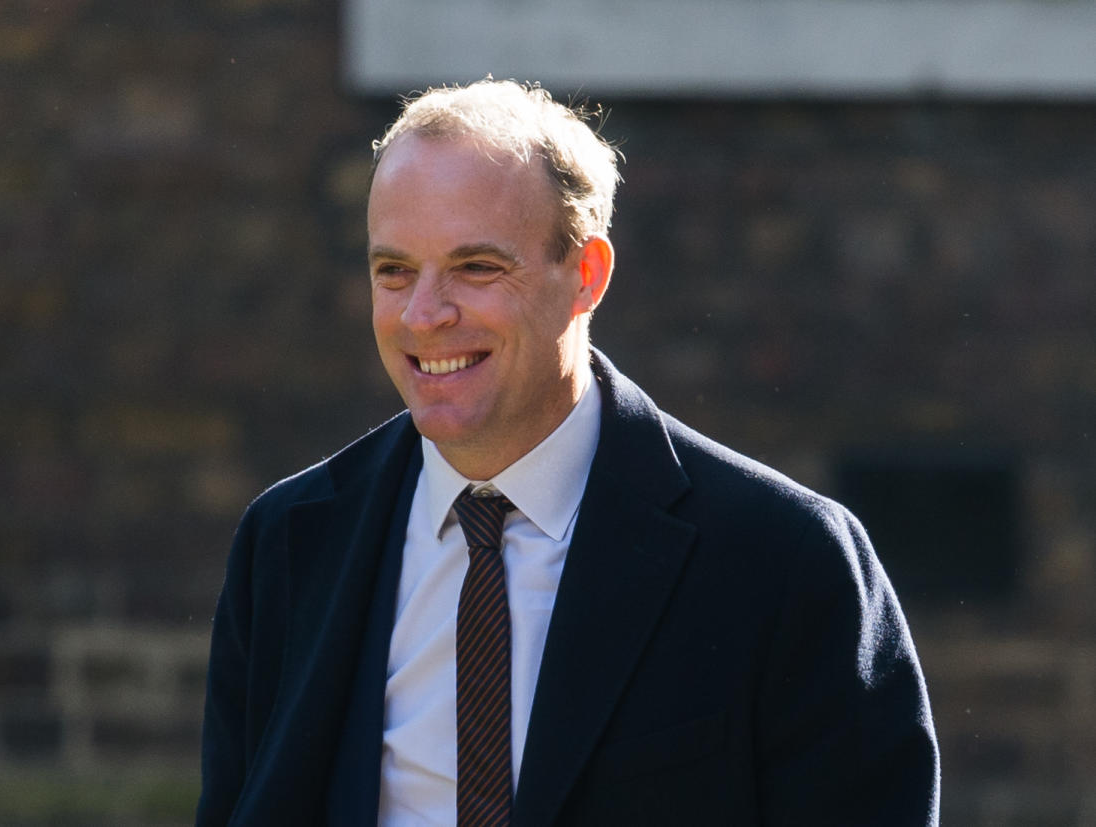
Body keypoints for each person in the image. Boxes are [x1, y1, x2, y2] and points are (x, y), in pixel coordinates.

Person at [195, 79, 940, 826]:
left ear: (586, 275)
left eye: (476, 267)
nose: (425, 315)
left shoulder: (785, 560)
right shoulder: (290, 544)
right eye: (394, 271)